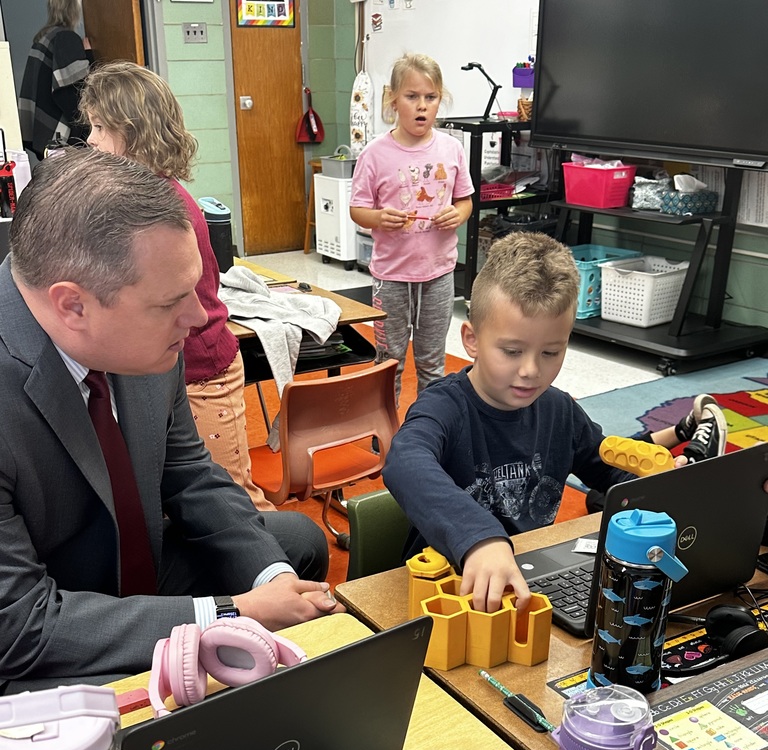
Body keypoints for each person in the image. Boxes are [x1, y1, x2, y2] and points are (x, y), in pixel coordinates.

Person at [0, 147, 336, 691]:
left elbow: (190, 473)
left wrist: (271, 584)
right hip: (47, 617)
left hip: (135, 565)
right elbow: (20, 625)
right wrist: (229, 613)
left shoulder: (143, 336)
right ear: (73, 305)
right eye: (170, 303)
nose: (200, 318)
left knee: (294, 545)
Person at [382, 231, 726, 615]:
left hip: (529, 581)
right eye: (511, 351)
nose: (530, 371)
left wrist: (666, 491)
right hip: (448, 590)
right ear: (472, 339)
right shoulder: (445, 406)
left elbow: (609, 475)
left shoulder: (559, 410)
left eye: (551, 352)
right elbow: (405, 462)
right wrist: (480, 539)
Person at [79, 61, 275, 512]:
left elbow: (188, 308)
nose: (90, 140)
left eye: (99, 127)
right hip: (168, 368)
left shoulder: (164, 210)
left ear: (133, 131)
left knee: (233, 499)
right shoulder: (137, 199)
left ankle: (283, 568)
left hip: (202, 372)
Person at [350, 53, 473, 403]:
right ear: (393, 99)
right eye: (412, 96)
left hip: (438, 275)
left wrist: (458, 214)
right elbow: (358, 209)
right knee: (388, 362)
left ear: (440, 100)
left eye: (430, 97)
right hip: (391, 277)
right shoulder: (375, 153)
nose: (422, 106)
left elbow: (465, 200)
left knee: (432, 365)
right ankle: (385, 436)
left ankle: (427, 435)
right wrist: (378, 218)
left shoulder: (451, 148)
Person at [18, 0, 94, 160]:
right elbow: (76, 94)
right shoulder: (66, 39)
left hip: (44, 136)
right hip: (63, 142)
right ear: (74, 10)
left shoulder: (44, 38)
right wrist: (90, 57)